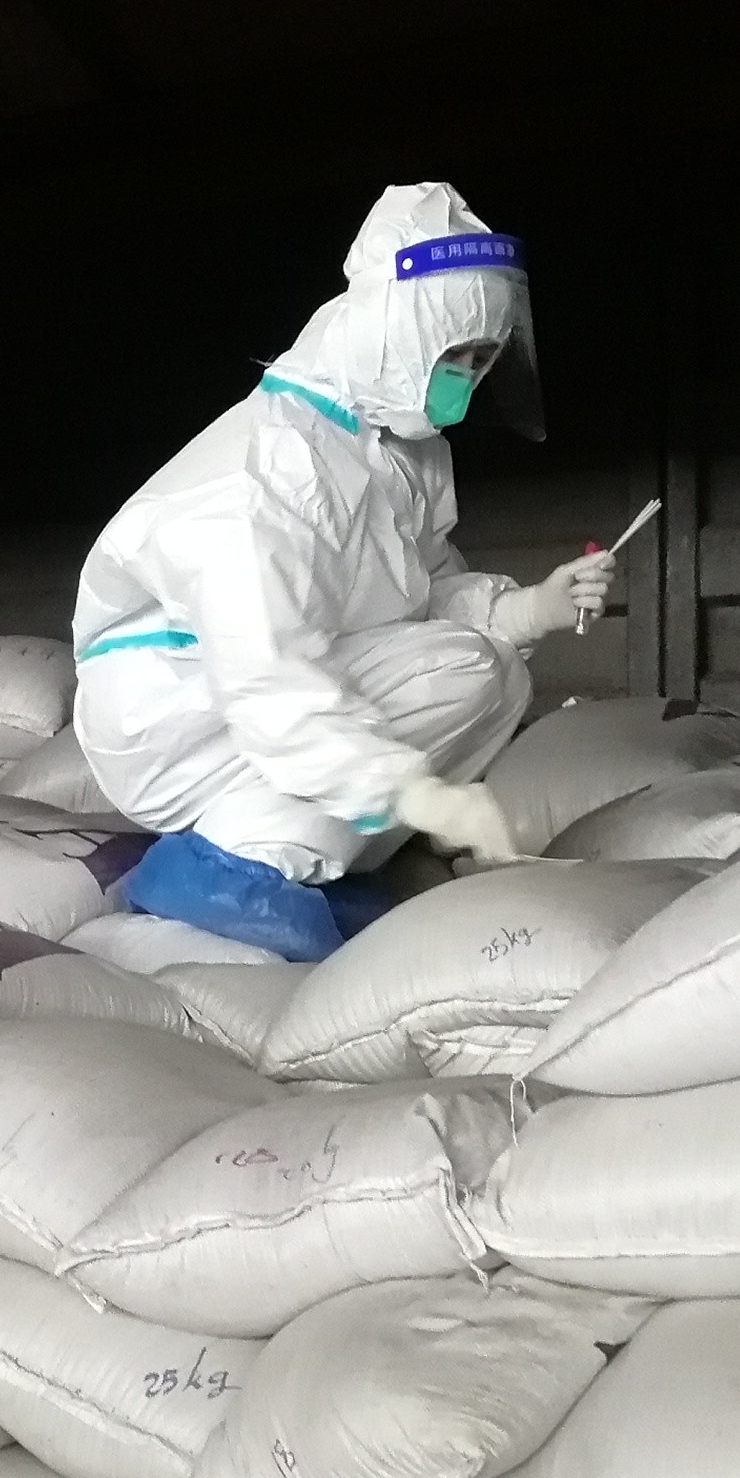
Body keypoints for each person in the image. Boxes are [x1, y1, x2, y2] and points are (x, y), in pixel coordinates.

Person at [74, 181, 615, 960]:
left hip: (257, 691)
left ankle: (320, 862)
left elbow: (417, 596)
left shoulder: (397, 450)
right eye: (457, 355)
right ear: (399, 333)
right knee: (462, 670)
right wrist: (416, 794)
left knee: (493, 673)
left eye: (484, 358)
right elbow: (269, 680)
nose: (469, 378)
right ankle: (227, 865)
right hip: (174, 703)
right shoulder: (267, 473)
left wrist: (529, 609)